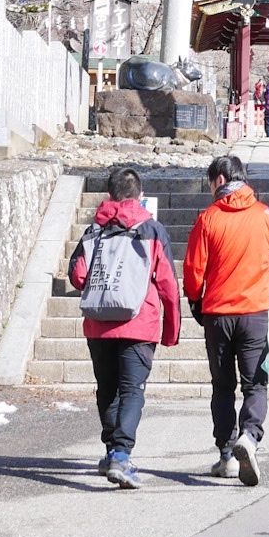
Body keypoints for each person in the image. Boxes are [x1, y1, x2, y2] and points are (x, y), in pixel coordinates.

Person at [68, 164, 180, 490]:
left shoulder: (95, 230)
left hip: (99, 324)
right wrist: (171, 329)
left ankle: (111, 452)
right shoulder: (152, 230)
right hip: (139, 324)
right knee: (132, 391)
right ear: (140, 195)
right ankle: (121, 455)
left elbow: (77, 275)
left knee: (107, 389)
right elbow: (168, 284)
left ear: (110, 195)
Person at [183, 154, 269, 485]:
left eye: (210, 183)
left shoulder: (208, 219)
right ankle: (250, 436)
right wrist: (265, 296)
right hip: (254, 313)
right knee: (255, 384)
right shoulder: (266, 216)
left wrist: (196, 301)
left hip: (217, 315)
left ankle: (227, 455)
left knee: (223, 386)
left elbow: (193, 270)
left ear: (220, 180)